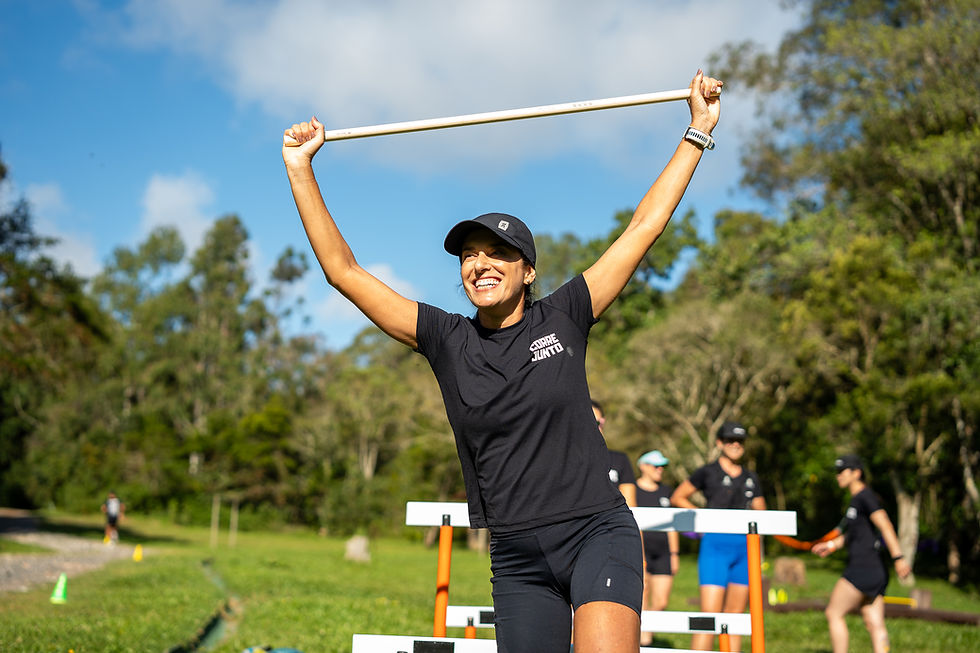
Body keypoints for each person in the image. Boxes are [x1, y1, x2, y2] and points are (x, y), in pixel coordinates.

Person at [282, 69, 723, 653]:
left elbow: (643, 227)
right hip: (516, 555)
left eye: (499, 254)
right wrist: (300, 169)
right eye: (469, 254)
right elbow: (344, 271)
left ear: (528, 271)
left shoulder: (565, 316)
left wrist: (697, 129)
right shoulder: (445, 338)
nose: (480, 264)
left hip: (597, 532)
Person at [670, 421, 765, 651]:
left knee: (735, 615)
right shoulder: (707, 471)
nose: (735, 445)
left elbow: (762, 515)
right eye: (730, 440)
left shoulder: (751, 477)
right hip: (715, 547)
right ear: (720, 443)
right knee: (709, 616)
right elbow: (678, 496)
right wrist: (702, 519)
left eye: (740, 441)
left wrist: (760, 552)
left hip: (744, 550)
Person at [811, 454, 911, 653]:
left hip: (863, 568)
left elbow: (885, 525)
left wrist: (899, 558)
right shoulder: (856, 500)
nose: (838, 476)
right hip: (875, 570)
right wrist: (831, 546)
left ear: (856, 473)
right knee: (874, 622)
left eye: (842, 471)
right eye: (837, 472)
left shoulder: (865, 497)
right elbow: (854, 534)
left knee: (833, 613)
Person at [635, 450, 679, 646]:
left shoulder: (666, 491)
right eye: (656, 465)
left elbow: (673, 525)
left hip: (663, 552)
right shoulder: (631, 490)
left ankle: (646, 639)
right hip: (640, 550)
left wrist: (674, 554)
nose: (660, 470)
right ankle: (642, 642)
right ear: (642, 466)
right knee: (641, 596)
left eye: (663, 466)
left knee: (661, 601)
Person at [593, 399, 637, 507]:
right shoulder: (563, 459)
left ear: (603, 422)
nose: (593, 427)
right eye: (588, 422)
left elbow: (630, 504)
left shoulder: (620, 459)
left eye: (597, 423)